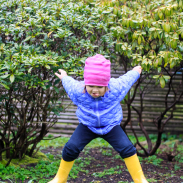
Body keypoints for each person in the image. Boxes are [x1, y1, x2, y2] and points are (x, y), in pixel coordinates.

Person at [49, 54, 148, 183]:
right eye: (90, 86)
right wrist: (64, 77)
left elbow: (127, 80)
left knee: (127, 148)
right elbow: (69, 83)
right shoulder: (78, 91)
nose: (95, 91)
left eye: (100, 87)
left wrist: (135, 71)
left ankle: (140, 180)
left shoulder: (116, 88)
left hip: (110, 125)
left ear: (106, 85)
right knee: (71, 148)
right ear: (85, 83)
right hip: (87, 125)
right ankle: (60, 179)